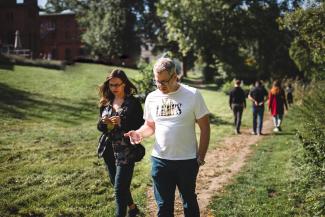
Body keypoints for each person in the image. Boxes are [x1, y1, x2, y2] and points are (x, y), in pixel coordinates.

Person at [124, 58, 210, 216]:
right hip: (160, 161)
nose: (160, 86)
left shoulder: (192, 95)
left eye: (164, 81)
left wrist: (201, 156)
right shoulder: (152, 98)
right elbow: (150, 126)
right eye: (157, 81)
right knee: (163, 207)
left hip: (187, 161)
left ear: (175, 76)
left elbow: (205, 128)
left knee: (189, 202)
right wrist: (139, 133)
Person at [97, 69, 144, 217]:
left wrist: (122, 121)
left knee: (118, 189)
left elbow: (140, 125)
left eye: (117, 85)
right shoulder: (106, 102)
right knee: (118, 185)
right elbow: (100, 127)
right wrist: (103, 123)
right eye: (111, 85)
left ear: (124, 84)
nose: (114, 88)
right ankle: (132, 208)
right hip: (109, 150)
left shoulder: (133, 102)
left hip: (126, 150)